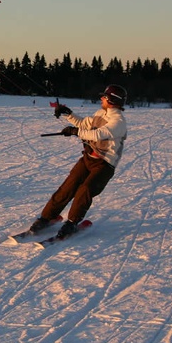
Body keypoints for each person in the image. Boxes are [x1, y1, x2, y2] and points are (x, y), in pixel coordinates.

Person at [28, 84, 128, 238]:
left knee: (85, 190)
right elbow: (84, 124)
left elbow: (98, 134)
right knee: (68, 187)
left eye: (104, 96)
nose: (101, 98)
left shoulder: (118, 121)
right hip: (88, 158)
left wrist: (75, 132)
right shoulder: (101, 113)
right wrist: (68, 113)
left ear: (111, 100)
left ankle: (71, 223)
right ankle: (46, 218)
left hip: (104, 165)